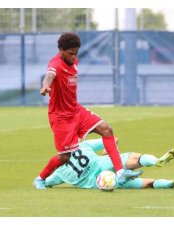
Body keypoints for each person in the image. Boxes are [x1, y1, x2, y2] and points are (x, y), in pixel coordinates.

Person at [34, 32, 138, 189]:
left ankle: (120, 172)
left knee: (106, 129)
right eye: (70, 53)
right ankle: (40, 179)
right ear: (60, 49)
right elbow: (49, 75)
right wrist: (45, 86)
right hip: (61, 117)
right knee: (65, 157)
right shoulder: (55, 64)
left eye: (75, 53)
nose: (73, 56)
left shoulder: (74, 60)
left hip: (76, 110)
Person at [44, 138, 174, 190]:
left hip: (103, 183)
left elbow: (46, 183)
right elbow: (113, 139)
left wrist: (45, 179)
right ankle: (156, 160)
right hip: (105, 163)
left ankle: (173, 183)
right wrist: (108, 150)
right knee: (135, 158)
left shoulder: (60, 173)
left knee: (148, 184)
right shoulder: (82, 145)